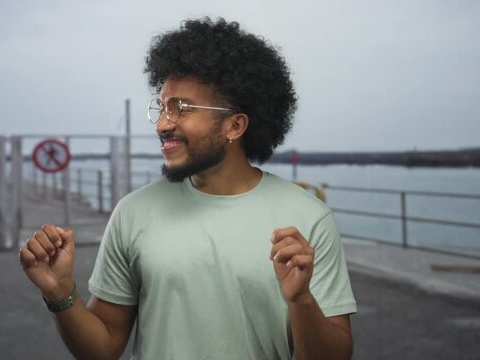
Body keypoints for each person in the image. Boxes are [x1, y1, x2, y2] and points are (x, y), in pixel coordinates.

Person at [19, 17, 357, 360]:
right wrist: (61, 292)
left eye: (181, 109)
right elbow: (102, 348)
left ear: (235, 125)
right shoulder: (134, 212)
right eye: (163, 108)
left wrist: (301, 301)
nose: (164, 124)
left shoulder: (308, 217)